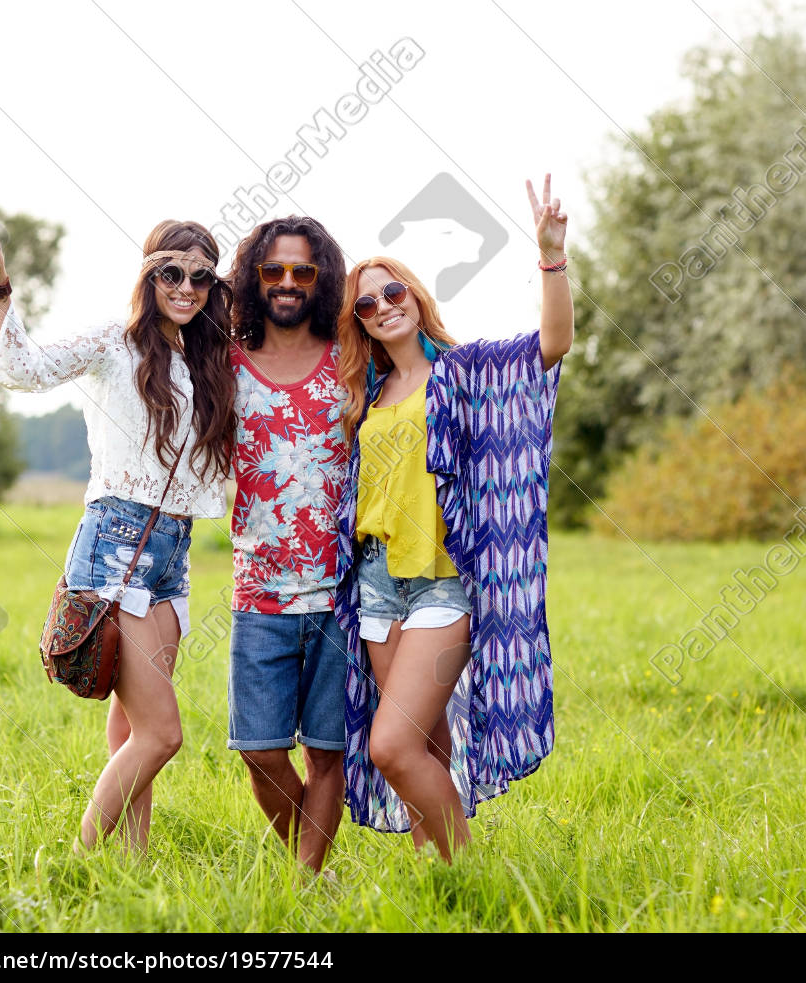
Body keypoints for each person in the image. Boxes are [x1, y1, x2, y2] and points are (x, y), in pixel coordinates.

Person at [0, 197, 236, 855]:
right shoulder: (114, 343)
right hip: (116, 541)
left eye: (202, 277)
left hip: (173, 549)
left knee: (134, 722)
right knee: (162, 732)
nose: (187, 288)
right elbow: (20, 369)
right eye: (173, 273)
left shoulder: (213, 358)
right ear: (148, 275)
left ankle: (134, 864)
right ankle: (76, 858)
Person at [333, 175, 574, 860]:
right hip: (377, 585)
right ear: (360, 321)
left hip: (443, 582)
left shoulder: (465, 372)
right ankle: (438, 882)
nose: (383, 306)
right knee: (427, 741)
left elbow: (552, 345)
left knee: (391, 744)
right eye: (367, 304)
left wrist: (551, 257)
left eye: (393, 291)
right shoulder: (366, 397)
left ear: (416, 296)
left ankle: (463, 866)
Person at [225, 216, 351, 872]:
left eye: (304, 270)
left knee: (328, 751)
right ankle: (315, 866)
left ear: (322, 277)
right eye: (273, 270)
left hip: (343, 594)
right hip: (258, 595)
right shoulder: (228, 365)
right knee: (260, 749)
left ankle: (308, 885)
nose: (288, 282)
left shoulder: (352, 358)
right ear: (254, 277)